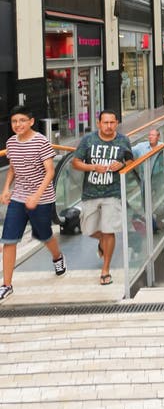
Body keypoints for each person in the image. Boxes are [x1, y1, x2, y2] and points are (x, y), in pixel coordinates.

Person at [0, 106, 66, 301]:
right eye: (14, 121)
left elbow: (50, 172)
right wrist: (5, 189)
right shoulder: (11, 142)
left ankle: (57, 257)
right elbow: (13, 168)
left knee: (44, 235)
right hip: (19, 197)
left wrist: (37, 196)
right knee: (8, 241)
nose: (18, 125)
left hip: (42, 198)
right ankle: (7, 285)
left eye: (22, 120)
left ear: (30, 121)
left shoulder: (41, 142)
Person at [72, 109, 133, 286]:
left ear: (116, 123)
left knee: (109, 231)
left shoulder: (123, 140)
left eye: (112, 122)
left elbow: (130, 160)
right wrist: (92, 167)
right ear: (99, 123)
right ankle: (102, 243)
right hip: (90, 192)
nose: (108, 126)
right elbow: (75, 162)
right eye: (105, 123)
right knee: (88, 230)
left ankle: (105, 270)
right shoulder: (88, 140)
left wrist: (121, 164)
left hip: (113, 193)